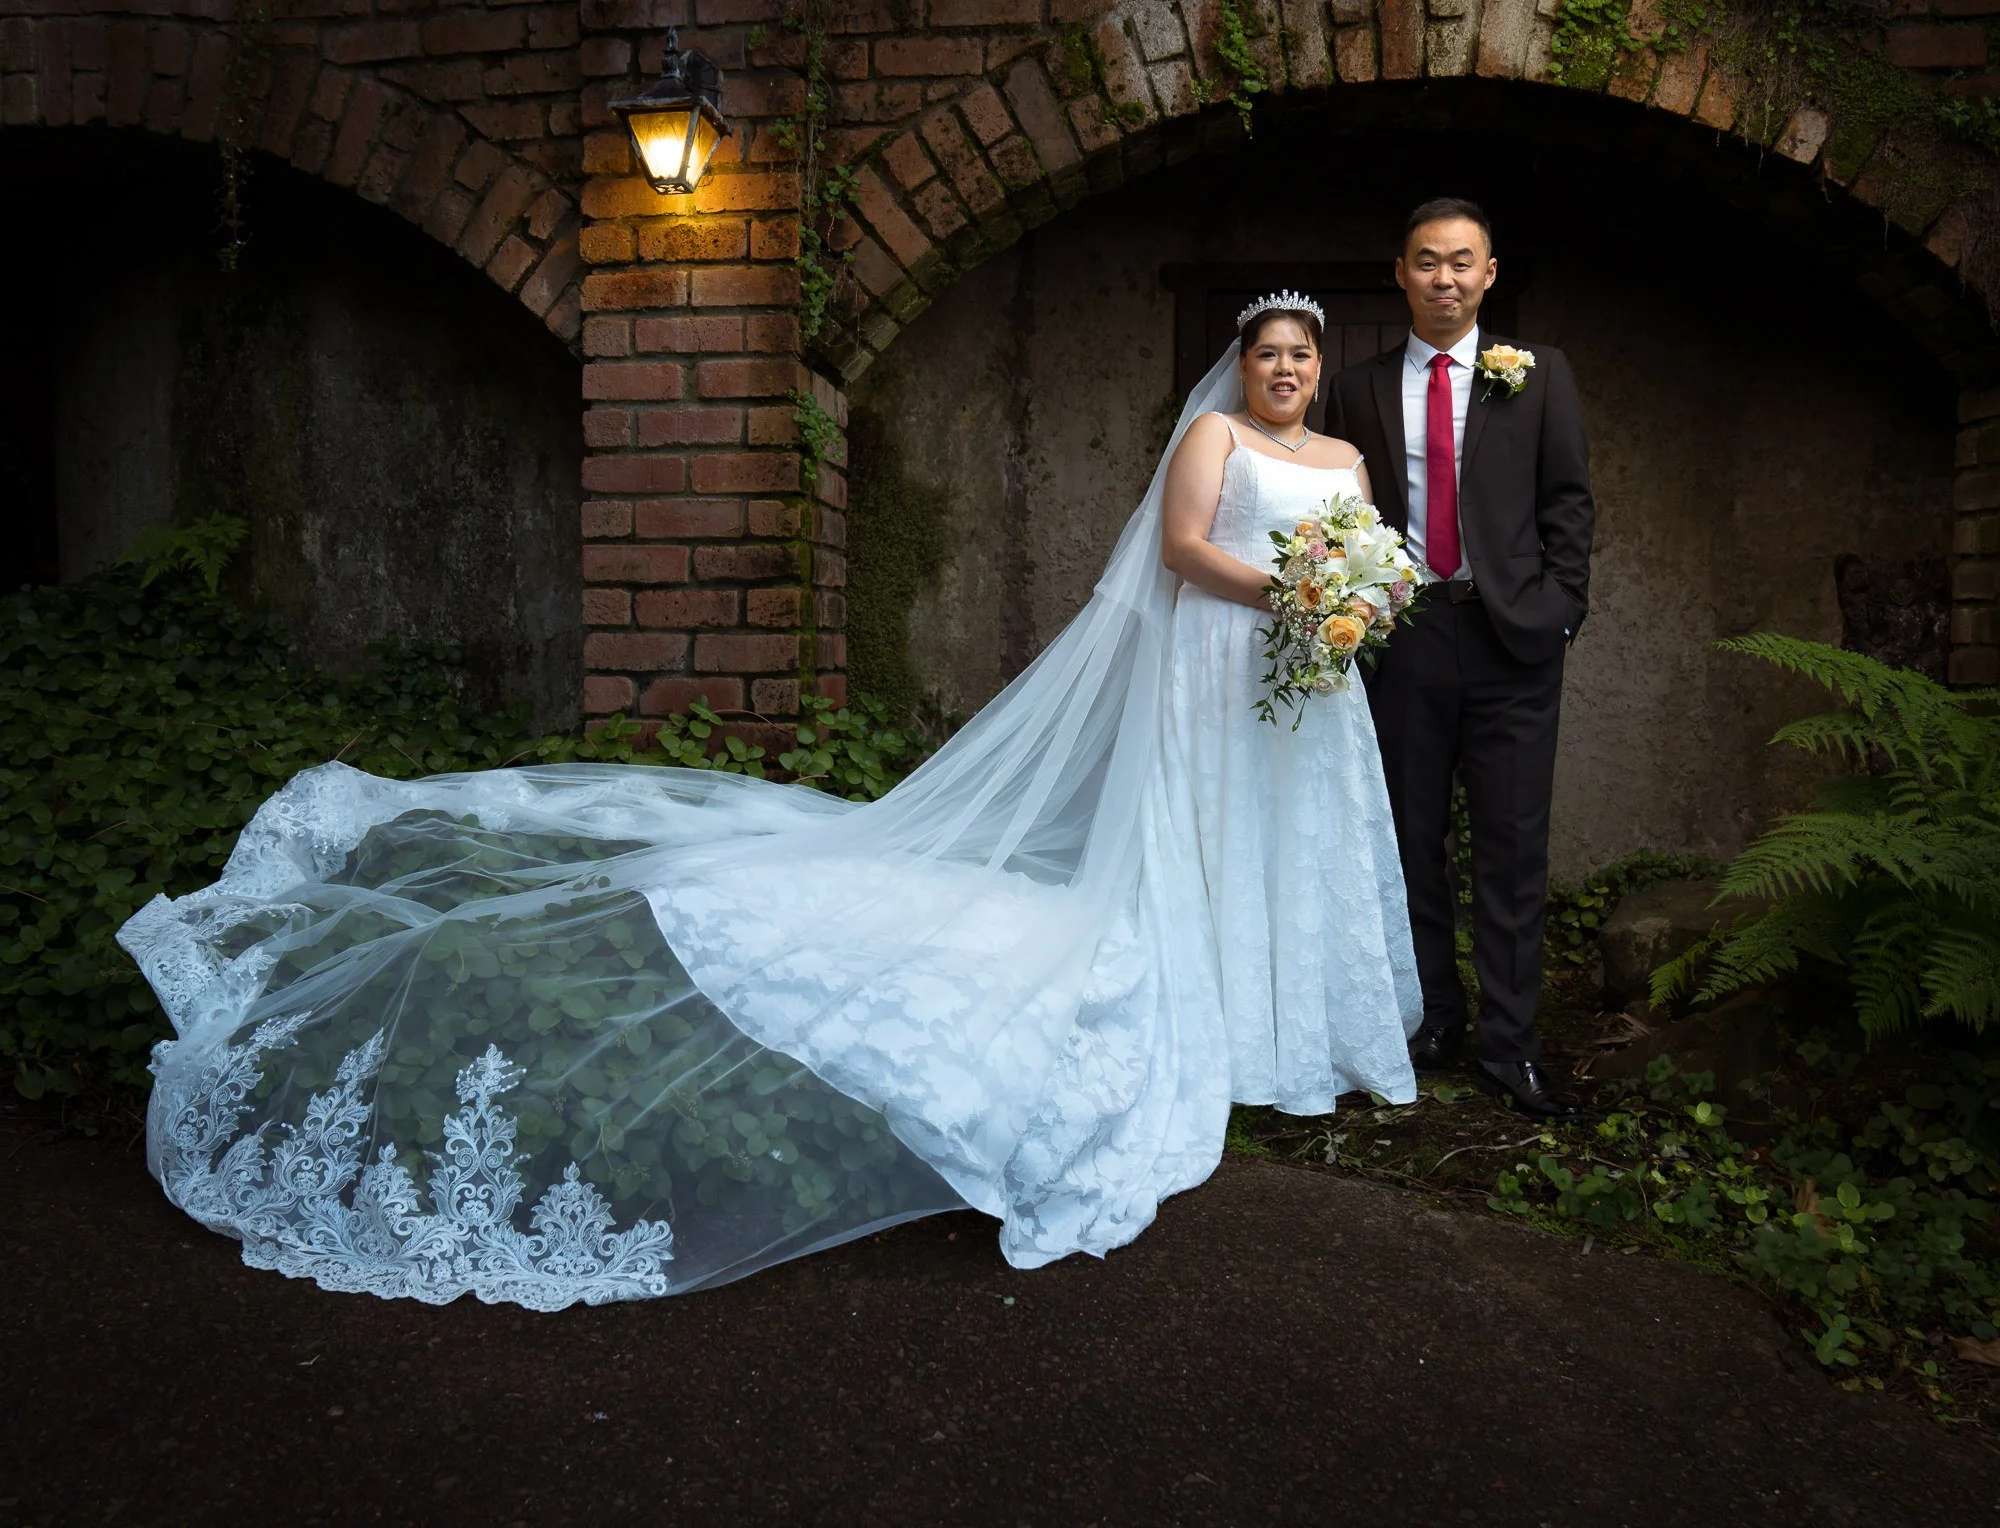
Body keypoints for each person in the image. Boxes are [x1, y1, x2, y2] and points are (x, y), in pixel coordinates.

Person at [119, 293, 1421, 1311]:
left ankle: (1298, 1032)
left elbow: (1368, 554)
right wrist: (1297, 593)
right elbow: (1189, 550)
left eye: (1305, 355)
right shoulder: (1213, 437)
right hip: (1219, 669)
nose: (1289, 372)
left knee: (1297, 850)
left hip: (1312, 688)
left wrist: (1349, 602)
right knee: (1211, 844)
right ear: (1244, 366)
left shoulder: (1350, 457)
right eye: (1271, 355)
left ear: (1323, 364)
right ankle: (1225, 1024)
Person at [1323, 199, 1596, 1120]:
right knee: (1409, 841)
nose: (1445, 277)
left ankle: (1510, 1047)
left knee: (1514, 847)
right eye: (1427, 261)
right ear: (1400, 273)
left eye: (1462, 262)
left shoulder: (1540, 375)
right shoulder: (1358, 387)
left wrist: (1560, 614)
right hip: (1407, 638)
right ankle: (1432, 1017)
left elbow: (1569, 505)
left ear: (1489, 273)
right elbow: (1344, 515)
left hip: (1512, 639)